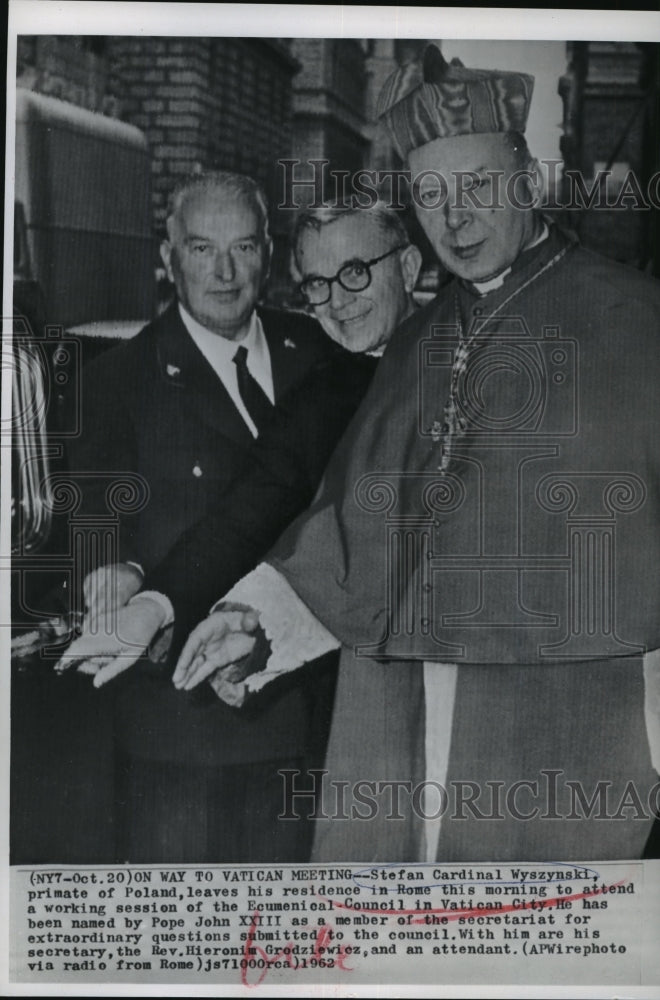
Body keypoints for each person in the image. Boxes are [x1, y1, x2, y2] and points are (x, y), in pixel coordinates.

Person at [173, 46, 660, 864]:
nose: (457, 220)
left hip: (570, 709)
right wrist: (253, 618)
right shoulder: (418, 343)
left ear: (528, 179)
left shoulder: (637, 320)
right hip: (406, 705)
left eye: (478, 187)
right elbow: (358, 527)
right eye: (432, 196)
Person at [60, 202, 422, 862]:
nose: (336, 303)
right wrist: (151, 599)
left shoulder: (474, 351)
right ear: (169, 260)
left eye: (354, 274)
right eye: (317, 284)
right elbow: (253, 503)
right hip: (316, 701)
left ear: (409, 266)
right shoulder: (329, 382)